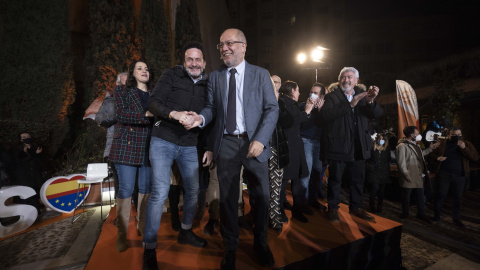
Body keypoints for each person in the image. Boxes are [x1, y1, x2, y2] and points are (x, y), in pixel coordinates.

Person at [182, 28, 279, 269]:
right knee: (226, 199)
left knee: (262, 196)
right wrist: (200, 119)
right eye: (221, 45)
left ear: (243, 46)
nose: (224, 48)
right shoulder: (215, 77)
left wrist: (260, 139)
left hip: (255, 142)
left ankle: (261, 243)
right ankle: (231, 248)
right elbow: (212, 109)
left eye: (229, 43)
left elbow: (272, 109)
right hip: (226, 144)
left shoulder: (260, 74)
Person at [142, 42, 208, 270]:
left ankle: (186, 231)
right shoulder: (171, 75)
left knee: (193, 191)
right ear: (184, 62)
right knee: (159, 192)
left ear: (204, 63)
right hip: (163, 139)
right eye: (190, 59)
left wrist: (198, 119)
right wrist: (175, 113)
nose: (194, 63)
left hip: (190, 144)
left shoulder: (207, 83)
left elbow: (211, 110)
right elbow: (153, 102)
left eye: (198, 59)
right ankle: (149, 247)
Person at [321, 67, 382, 223]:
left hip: (359, 147)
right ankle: (333, 208)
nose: (346, 80)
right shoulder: (332, 97)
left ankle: (356, 208)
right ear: (339, 79)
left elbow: (377, 115)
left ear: (356, 80)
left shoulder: (363, 97)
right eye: (343, 77)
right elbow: (326, 115)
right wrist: (350, 104)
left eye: (350, 77)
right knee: (335, 180)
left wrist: (371, 101)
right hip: (339, 147)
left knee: (358, 180)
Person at [108, 59, 153, 252]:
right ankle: (122, 234)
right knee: (125, 191)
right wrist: (147, 116)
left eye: (146, 69)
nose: (144, 71)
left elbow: (159, 121)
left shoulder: (154, 95)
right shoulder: (122, 91)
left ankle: (142, 226)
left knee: (145, 189)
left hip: (149, 148)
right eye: (139, 68)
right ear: (132, 73)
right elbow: (121, 115)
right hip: (127, 147)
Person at [278, 81, 314, 223]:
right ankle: (279, 211)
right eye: (298, 90)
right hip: (288, 147)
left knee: (297, 179)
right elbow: (288, 122)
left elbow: (298, 122)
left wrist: (307, 111)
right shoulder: (283, 103)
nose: (299, 93)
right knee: (284, 180)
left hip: (296, 146)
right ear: (292, 91)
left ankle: (297, 210)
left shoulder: (292, 104)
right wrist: (306, 112)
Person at [431, 127, 479, 227]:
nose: (457, 137)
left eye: (459, 134)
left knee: (457, 197)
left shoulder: (467, 144)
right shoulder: (442, 143)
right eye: (454, 135)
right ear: (449, 135)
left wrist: (464, 148)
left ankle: (456, 218)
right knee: (440, 195)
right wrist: (437, 158)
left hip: (459, 176)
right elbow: (432, 155)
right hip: (444, 174)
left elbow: (475, 157)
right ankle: (436, 216)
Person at [396, 126, 439, 223]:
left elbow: (420, 154)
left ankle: (421, 213)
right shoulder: (402, 146)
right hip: (410, 174)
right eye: (417, 133)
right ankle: (405, 213)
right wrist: (406, 174)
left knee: (420, 195)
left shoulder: (416, 145)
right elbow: (401, 162)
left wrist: (430, 149)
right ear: (412, 135)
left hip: (419, 174)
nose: (419, 135)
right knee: (406, 195)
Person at [95, 71, 128, 201]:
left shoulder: (137, 97)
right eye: (123, 82)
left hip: (134, 145)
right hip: (115, 146)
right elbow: (100, 119)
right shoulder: (109, 100)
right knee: (120, 181)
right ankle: (119, 214)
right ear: (117, 83)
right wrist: (117, 114)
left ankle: (137, 214)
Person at [267, 76, 291, 231]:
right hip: (260, 150)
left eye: (276, 83)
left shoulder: (281, 102)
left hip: (276, 149)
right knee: (260, 188)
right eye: (271, 83)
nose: (274, 85)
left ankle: (275, 218)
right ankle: (260, 216)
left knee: (275, 188)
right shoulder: (257, 100)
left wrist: (276, 104)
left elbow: (287, 121)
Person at [299, 83, 327, 211]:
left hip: (319, 144)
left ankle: (313, 200)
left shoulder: (325, 109)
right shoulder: (303, 106)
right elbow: (301, 124)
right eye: (311, 91)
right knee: (306, 175)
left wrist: (321, 111)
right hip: (306, 142)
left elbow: (326, 125)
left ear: (321, 96)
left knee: (317, 173)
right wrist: (307, 111)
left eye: (316, 93)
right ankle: (302, 204)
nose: (312, 94)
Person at [11, 132, 44, 213]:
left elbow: (39, 162)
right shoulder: (16, 149)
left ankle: (38, 209)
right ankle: (29, 212)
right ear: (20, 139)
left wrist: (38, 154)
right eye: (24, 137)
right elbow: (17, 162)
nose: (26, 138)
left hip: (35, 175)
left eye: (28, 136)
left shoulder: (34, 147)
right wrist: (23, 153)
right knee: (27, 195)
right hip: (23, 177)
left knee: (37, 193)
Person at [366, 133, 391, 213]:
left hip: (383, 173)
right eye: (379, 138)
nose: (381, 140)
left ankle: (380, 206)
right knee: (374, 189)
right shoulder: (371, 148)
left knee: (381, 191)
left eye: (382, 139)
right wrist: (371, 166)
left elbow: (388, 159)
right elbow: (368, 159)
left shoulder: (387, 149)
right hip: (374, 172)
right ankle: (372, 206)